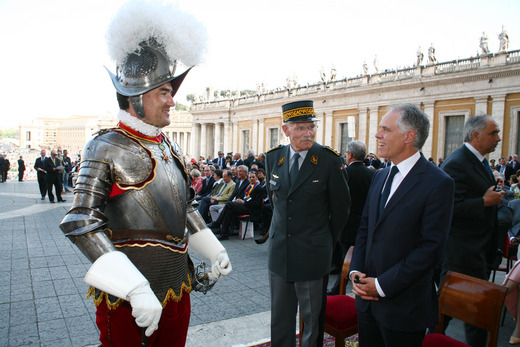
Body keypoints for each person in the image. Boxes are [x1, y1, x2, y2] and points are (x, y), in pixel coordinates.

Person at [59, 2, 232, 346]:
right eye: (165, 92)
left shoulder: (171, 146)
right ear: (136, 97)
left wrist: (213, 249)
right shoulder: (105, 146)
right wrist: (134, 287)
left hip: (176, 284)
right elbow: (79, 221)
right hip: (125, 295)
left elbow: (185, 209)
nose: (172, 102)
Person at [350, 103, 454, 347]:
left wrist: (382, 285)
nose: (377, 135)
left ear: (409, 136)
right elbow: (365, 229)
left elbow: (431, 248)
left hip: (403, 308)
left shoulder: (438, 182)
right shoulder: (380, 175)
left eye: (385, 129)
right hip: (367, 303)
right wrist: (356, 272)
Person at [265, 100, 350, 347]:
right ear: (286, 130)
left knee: (313, 321)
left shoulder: (328, 160)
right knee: (280, 318)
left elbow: (341, 210)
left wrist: (322, 241)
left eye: (311, 127)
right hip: (280, 253)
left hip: (313, 255)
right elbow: (277, 203)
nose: (308, 133)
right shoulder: (274, 159)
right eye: (300, 128)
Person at [441, 114, 504, 347]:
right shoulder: (457, 162)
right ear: (476, 136)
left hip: (476, 250)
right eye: (493, 133)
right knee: (473, 315)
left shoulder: (479, 160)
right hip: (462, 254)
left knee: (468, 314)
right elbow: (448, 208)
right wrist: (484, 202)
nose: (498, 138)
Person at [328, 140, 374, 295]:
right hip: (365, 224)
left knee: (345, 258)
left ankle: (337, 289)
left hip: (347, 224)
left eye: (347, 154)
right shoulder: (372, 173)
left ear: (351, 155)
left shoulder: (345, 173)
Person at [211, 170, 265, 240]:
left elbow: (257, 204)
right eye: (250, 177)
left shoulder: (259, 188)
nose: (251, 178)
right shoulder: (248, 186)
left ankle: (217, 223)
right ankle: (224, 234)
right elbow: (245, 197)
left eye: (253, 177)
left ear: (256, 178)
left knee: (229, 204)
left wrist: (243, 202)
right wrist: (240, 201)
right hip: (245, 206)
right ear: (248, 179)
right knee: (229, 211)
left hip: (252, 209)